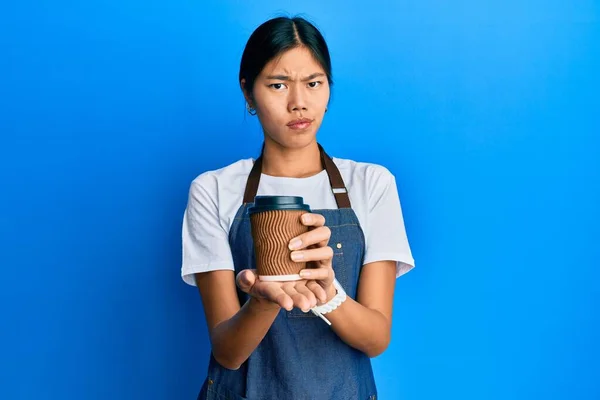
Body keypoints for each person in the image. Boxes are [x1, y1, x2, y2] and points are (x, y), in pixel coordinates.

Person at [181, 16, 415, 400]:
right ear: (248, 92)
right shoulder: (214, 190)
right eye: (278, 85)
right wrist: (262, 300)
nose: (299, 102)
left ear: (328, 88)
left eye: (313, 83)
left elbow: (375, 338)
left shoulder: (371, 184)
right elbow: (227, 351)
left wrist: (329, 293)